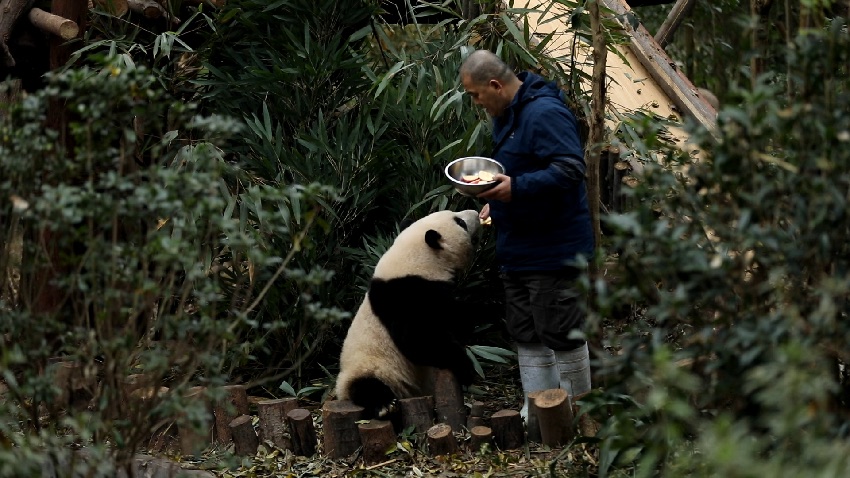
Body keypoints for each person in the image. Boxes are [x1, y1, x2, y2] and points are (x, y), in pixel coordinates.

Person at [459, 49, 594, 418]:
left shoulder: (544, 113)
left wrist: (515, 188)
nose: (476, 102)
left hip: (553, 248)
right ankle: (539, 414)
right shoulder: (508, 116)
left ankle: (580, 416)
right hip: (517, 248)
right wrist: (497, 202)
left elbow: (569, 170)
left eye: (475, 95)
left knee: (561, 331)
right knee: (526, 333)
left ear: (495, 85)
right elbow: (516, 172)